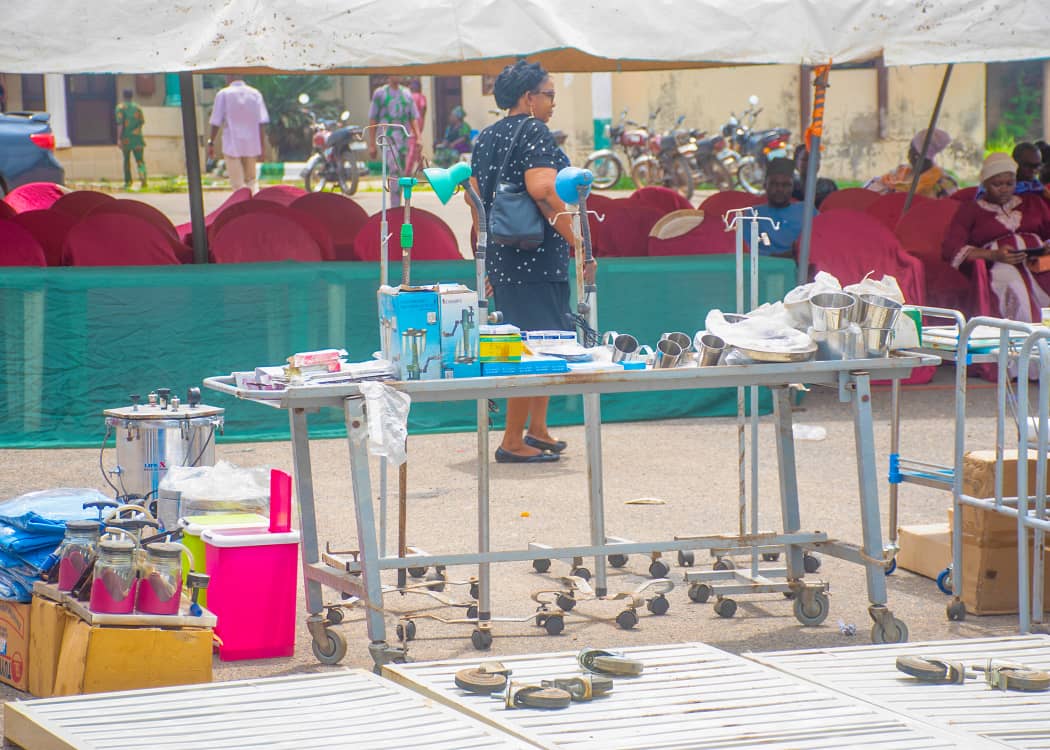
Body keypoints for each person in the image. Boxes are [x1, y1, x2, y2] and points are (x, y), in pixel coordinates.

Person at [469, 60, 593, 463]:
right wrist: (580, 244)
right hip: (534, 259)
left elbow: (475, 202)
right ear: (529, 97)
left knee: (540, 344)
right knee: (531, 350)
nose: (553, 103)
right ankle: (511, 440)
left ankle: (536, 429)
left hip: (504, 255)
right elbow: (543, 191)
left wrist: (486, 261)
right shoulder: (534, 130)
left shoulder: (486, 137)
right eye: (549, 95)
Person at [942, 152, 1050, 323]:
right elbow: (951, 248)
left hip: (1040, 263)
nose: (1004, 189)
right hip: (1000, 266)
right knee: (1014, 285)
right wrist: (993, 255)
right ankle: (1024, 336)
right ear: (985, 183)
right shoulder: (971, 210)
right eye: (997, 184)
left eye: (1009, 183)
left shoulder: (1032, 202)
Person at [207, 77, 269, 193]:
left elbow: (216, 121)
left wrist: (211, 142)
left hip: (232, 144)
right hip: (251, 145)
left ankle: (242, 202)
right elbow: (261, 123)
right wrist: (262, 147)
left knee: (237, 184)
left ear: (228, 76)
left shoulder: (224, 94)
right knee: (251, 181)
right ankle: (253, 201)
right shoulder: (255, 94)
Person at [368, 76, 420, 208]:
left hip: (403, 137)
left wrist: (418, 137)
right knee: (394, 167)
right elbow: (373, 118)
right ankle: (394, 206)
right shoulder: (380, 93)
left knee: (401, 172)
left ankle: (398, 203)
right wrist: (372, 144)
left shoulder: (407, 94)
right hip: (387, 136)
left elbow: (413, 117)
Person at [866, 128, 958, 198]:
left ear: (916, 155)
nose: (908, 153)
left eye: (911, 149)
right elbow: (871, 192)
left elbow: (946, 209)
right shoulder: (901, 172)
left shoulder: (944, 183)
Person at [754, 158, 807, 257]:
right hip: (763, 264)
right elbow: (746, 249)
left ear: (793, 187)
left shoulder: (806, 211)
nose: (780, 189)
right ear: (765, 186)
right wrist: (782, 256)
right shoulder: (753, 214)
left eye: (786, 185)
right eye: (774, 184)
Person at [115, 89, 146, 189]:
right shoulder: (137, 107)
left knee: (126, 161)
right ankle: (143, 180)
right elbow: (142, 122)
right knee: (140, 161)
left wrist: (119, 138)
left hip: (126, 138)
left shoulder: (120, 108)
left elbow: (120, 124)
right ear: (132, 96)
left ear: (123, 96)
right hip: (137, 138)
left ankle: (128, 182)